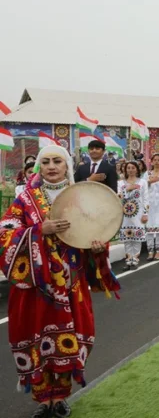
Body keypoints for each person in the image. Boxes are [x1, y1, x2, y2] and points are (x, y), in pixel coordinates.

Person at [0, 145, 120, 418]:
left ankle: (61, 397)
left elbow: (96, 230)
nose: (52, 166)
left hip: (71, 283)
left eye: (57, 161)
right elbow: (4, 232)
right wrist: (38, 230)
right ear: (38, 167)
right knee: (34, 337)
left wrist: (99, 248)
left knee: (70, 339)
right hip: (35, 286)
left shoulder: (82, 198)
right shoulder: (25, 200)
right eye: (46, 162)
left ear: (67, 165)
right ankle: (43, 400)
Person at [119, 161, 149, 269]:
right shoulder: (121, 183)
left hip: (138, 213)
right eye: (128, 168)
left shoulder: (143, 182)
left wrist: (145, 214)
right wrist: (127, 189)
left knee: (137, 238)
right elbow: (119, 198)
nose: (130, 170)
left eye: (133, 168)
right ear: (125, 170)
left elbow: (146, 199)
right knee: (127, 238)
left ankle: (135, 260)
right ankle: (128, 260)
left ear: (137, 169)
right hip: (125, 214)